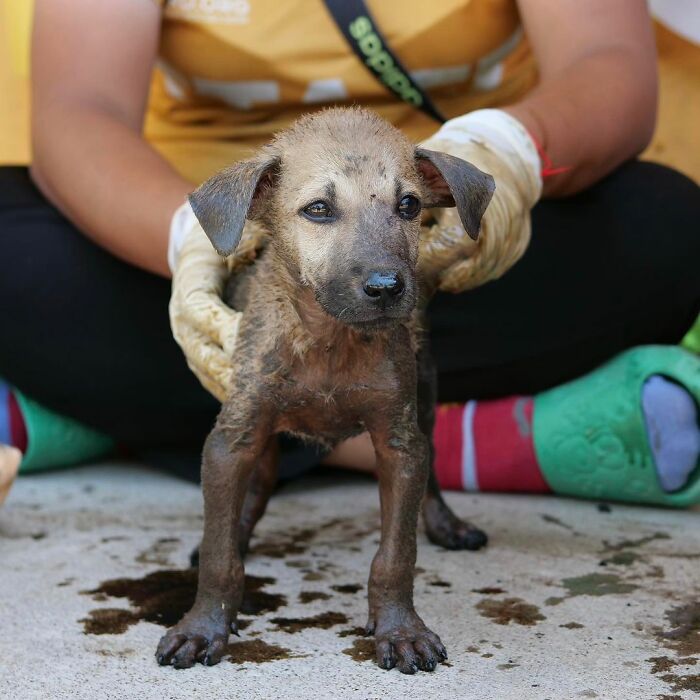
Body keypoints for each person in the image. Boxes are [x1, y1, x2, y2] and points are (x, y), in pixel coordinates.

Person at [1, 0, 698, 506]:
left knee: (665, 227)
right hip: (220, 220)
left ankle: (103, 415)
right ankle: (424, 442)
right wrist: (190, 241)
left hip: (428, 243)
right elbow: (80, 111)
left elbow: (609, 66)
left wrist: (513, 150)